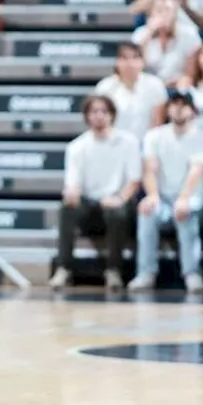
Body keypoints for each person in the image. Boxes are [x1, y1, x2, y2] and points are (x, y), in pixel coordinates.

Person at [50, 95, 141, 290]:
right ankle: (64, 268)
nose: (99, 116)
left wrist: (120, 198)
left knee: (117, 213)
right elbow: (73, 183)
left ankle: (113, 270)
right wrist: (71, 193)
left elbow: (134, 180)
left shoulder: (128, 142)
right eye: (94, 112)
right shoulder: (77, 146)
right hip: (90, 203)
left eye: (104, 111)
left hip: (118, 200)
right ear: (87, 116)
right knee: (67, 209)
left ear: (112, 115)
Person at [128, 91, 203, 293]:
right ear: (167, 109)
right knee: (147, 210)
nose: (178, 108)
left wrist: (183, 199)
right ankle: (146, 272)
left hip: (193, 198)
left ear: (193, 111)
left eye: (183, 105)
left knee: (184, 212)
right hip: (163, 198)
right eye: (174, 104)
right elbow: (150, 168)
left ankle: (192, 273)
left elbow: (197, 170)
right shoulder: (154, 136)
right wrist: (153, 195)